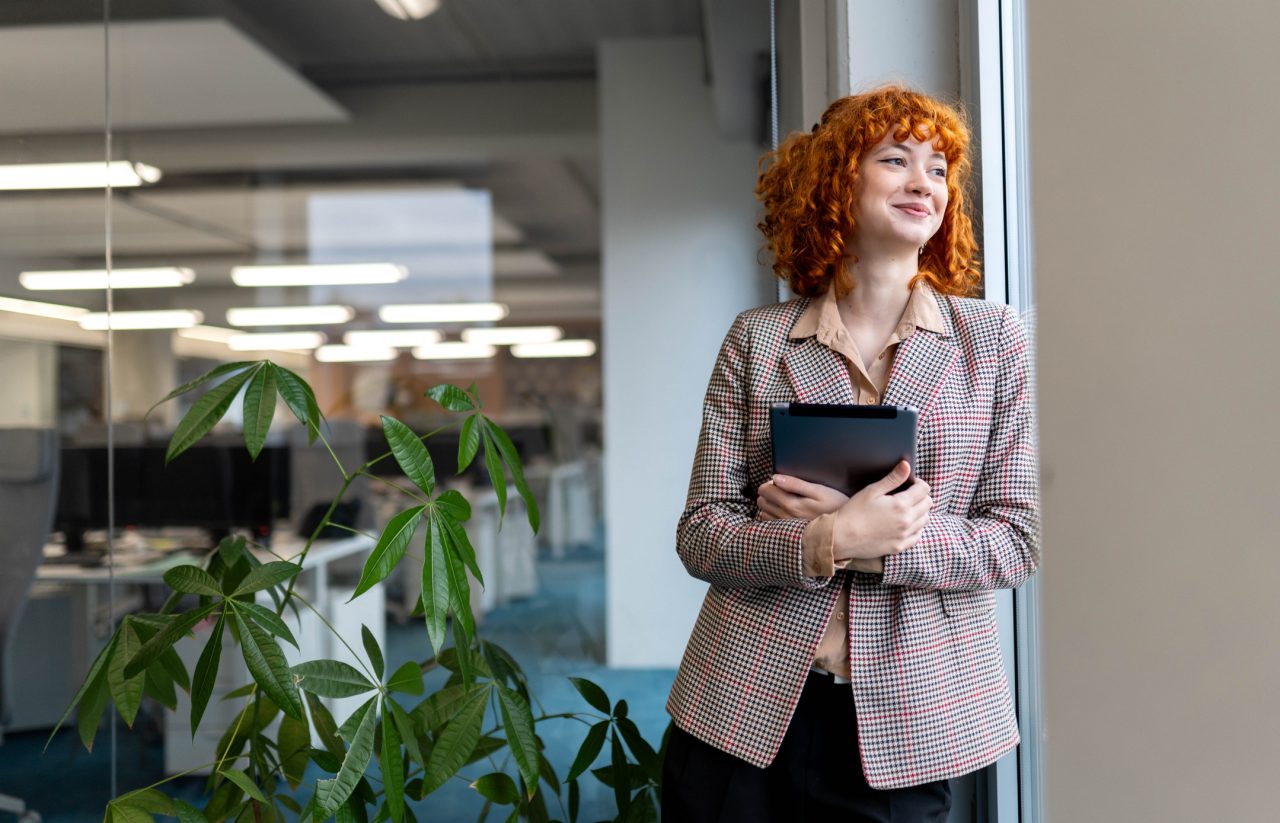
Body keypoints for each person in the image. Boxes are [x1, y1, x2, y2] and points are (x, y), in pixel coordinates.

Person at [662, 86, 1040, 822]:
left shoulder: (992, 341)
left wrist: (868, 540)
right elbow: (702, 531)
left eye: (938, 169)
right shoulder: (757, 338)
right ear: (837, 179)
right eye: (895, 160)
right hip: (741, 708)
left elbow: (1018, 539)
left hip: (910, 723)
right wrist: (824, 539)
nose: (923, 182)